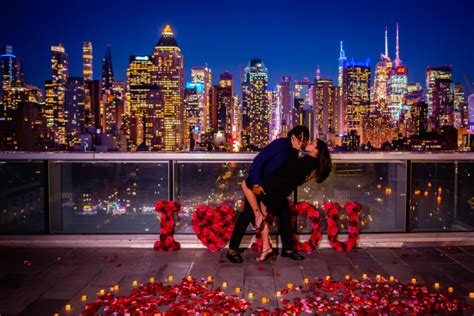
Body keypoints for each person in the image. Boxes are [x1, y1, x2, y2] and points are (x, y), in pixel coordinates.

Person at [226, 125, 309, 264]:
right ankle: (232, 250)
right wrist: (257, 183)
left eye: (306, 139)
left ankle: (287, 249)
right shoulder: (280, 144)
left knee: (285, 213)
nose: (304, 142)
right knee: (248, 214)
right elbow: (259, 160)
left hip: (272, 189)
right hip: (258, 185)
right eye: (302, 139)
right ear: (293, 137)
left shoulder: (294, 152)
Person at [243, 138, 332, 262]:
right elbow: (295, 176)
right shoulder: (312, 164)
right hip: (279, 189)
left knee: (247, 185)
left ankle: (266, 245)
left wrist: (295, 149)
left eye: (312, 144)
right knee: (282, 215)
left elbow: (288, 167)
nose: (309, 143)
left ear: (316, 152)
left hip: (274, 189)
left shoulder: (308, 162)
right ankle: (280, 248)